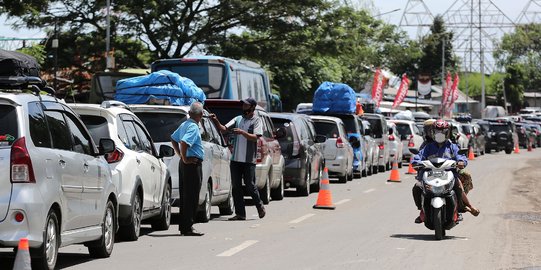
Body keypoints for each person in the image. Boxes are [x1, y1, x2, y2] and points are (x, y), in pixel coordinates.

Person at [411, 119, 480, 224]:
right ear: (433, 132)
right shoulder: (428, 147)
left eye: (442, 132)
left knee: (458, 185)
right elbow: (419, 156)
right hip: (430, 176)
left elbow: (460, 156)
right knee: (417, 187)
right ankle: (422, 211)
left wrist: (461, 161)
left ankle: (464, 207)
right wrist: (416, 162)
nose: (440, 134)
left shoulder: (452, 146)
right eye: (437, 131)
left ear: (447, 132)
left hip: (448, 175)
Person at [210, 97, 266, 221]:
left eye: (246, 105)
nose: (244, 107)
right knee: (236, 187)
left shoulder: (256, 120)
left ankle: (259, 205)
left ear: (252, 107)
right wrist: (216, 120)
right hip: (235, 159)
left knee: (250, 185)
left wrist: (242, 133)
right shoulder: (238, 119)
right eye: (243, 105)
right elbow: (224, 129)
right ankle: (240, 214)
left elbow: (255, 137)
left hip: (248, 160)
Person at [171, 102, 205, 236]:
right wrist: (184, 158)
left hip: (185, 164)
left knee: (186, 196)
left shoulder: (184, 124)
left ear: (190, 113)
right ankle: (188, 226)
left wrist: (181, 156)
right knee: (192, 196)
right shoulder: (193, 127)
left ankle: (184, 226)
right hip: (191, 164)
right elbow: (184, 142)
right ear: (201, 115)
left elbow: (174, 138)